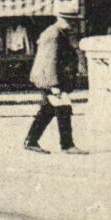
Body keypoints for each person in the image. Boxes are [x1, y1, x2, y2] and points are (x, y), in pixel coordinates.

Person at [24, 12, 86, 155]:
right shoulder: (54, 34)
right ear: (61, 20)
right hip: (51, 80)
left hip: (53, 80)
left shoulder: (59, 33)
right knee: (63, 109)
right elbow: (48, 61)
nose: (73, 25)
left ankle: (31, 141)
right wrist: (53, 85)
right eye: (70, 21)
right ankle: (67, 145)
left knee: (47, 111)